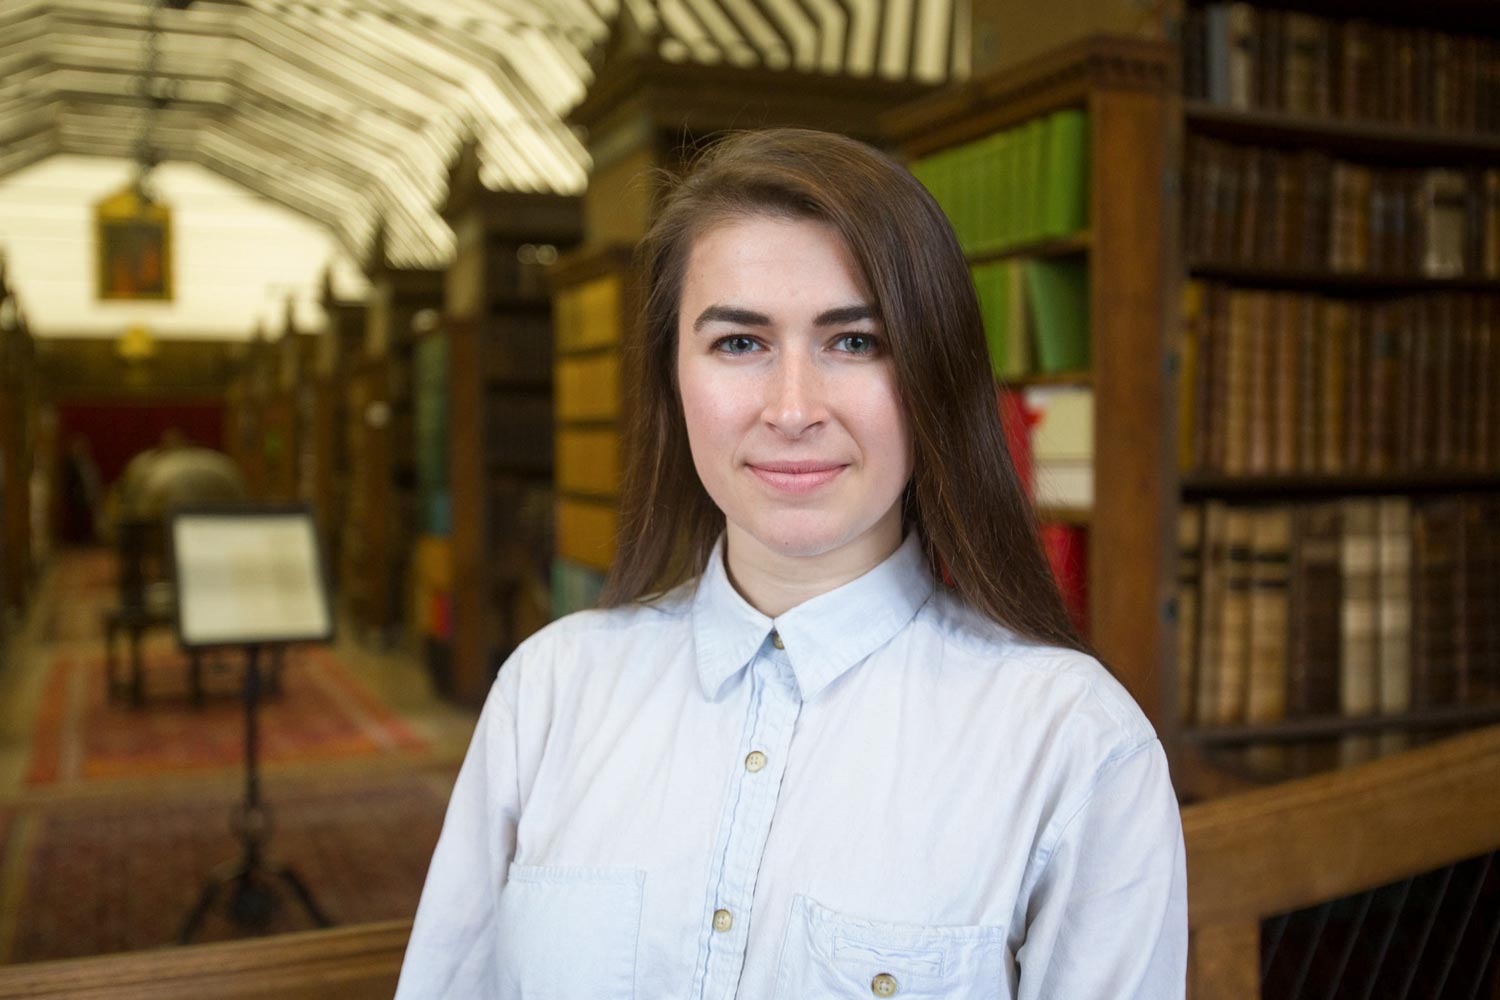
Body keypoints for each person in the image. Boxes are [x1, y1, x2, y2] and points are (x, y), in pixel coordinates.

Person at [396, 128, 1186, 999]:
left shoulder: (1078, 746)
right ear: (672, 381)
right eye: (741, 343)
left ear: (935, 376)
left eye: (854, 343)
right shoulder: (547, 694)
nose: (793, 409)